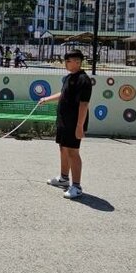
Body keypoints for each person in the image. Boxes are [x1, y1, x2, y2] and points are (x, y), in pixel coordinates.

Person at [41, 50, 93, 199]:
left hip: (74, 123)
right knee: (63, 149)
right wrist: (47, 99)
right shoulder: (69, 78)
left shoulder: (83, 80)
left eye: (68, 61)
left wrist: (79, 126)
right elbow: (63, 94)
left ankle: (76, 186)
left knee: (73, 152)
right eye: (66, 60)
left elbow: (84, 104)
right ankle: (64, 179)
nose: (65, 63)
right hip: (64, 120)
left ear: (78, 62)